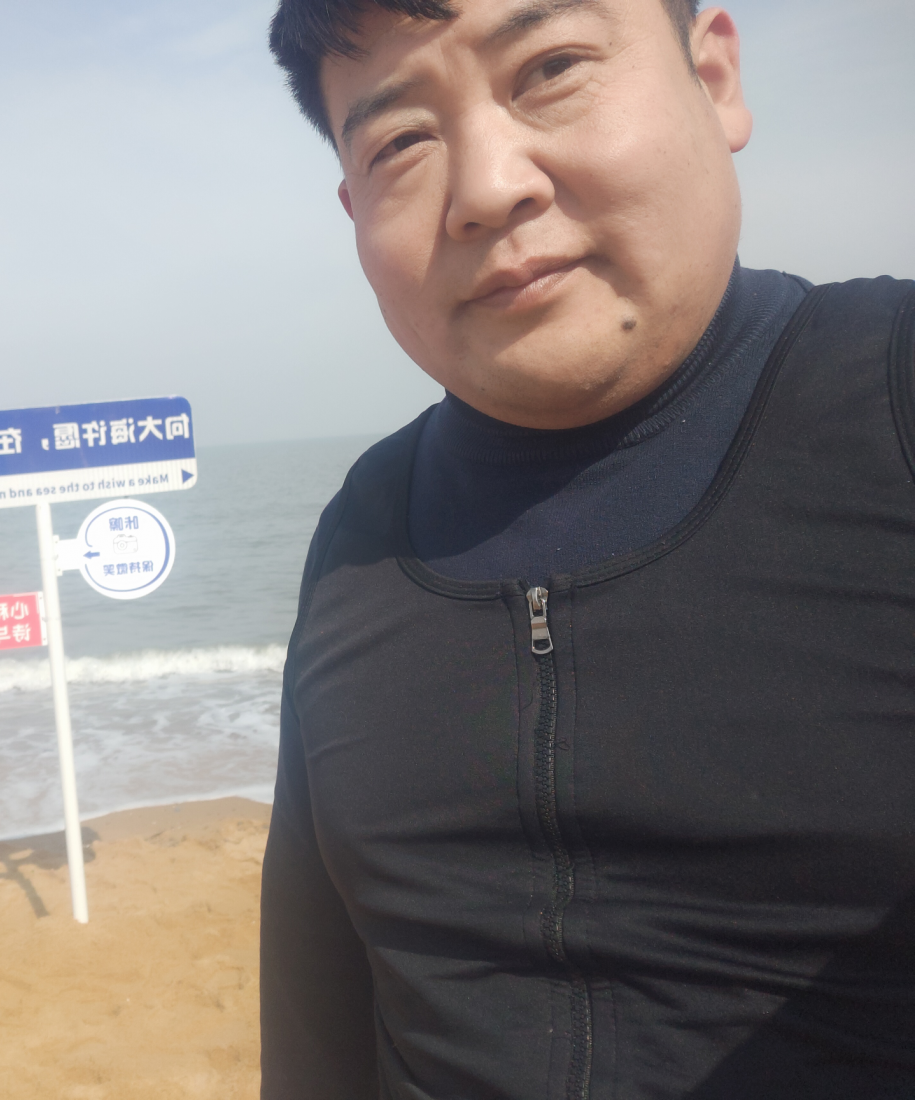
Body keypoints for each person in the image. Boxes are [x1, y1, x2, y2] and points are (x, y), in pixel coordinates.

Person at [260, 0, 915, 1096]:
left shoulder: (893, 399)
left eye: (550, 67)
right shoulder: (362, 531)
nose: (486, 187)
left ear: (713, 78)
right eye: (400, 142)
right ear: (352, 209)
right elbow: (314, 1014)